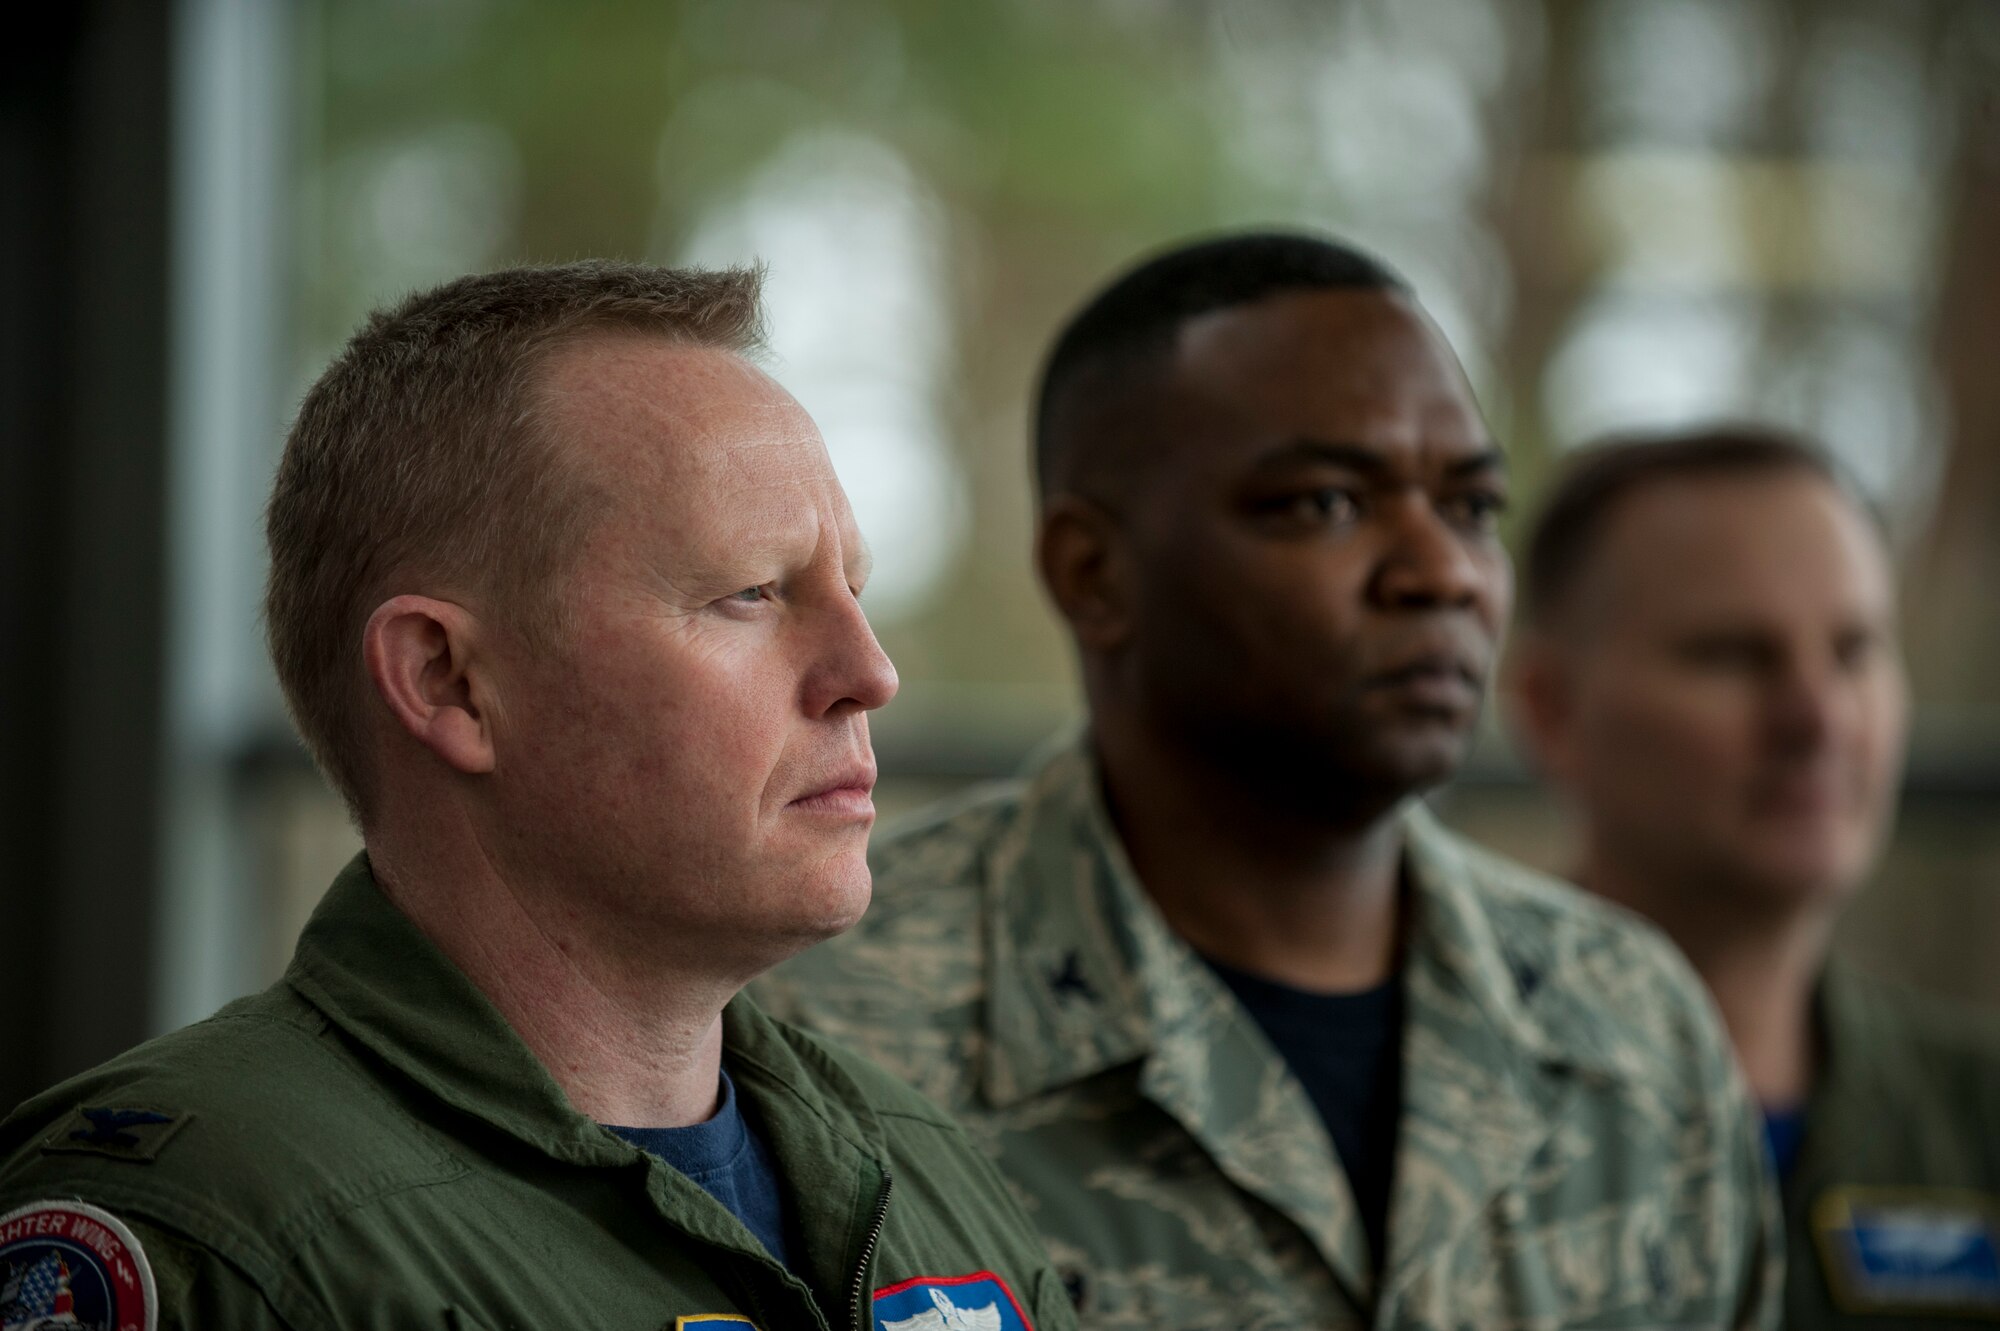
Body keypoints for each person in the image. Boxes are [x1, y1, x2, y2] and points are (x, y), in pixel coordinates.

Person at [0, 262, 1077, 1331]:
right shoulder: (210, 1233)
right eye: (748, 591)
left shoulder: (919, 1165)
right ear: (448, 681)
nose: (869, 672)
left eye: (854, 585)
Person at [755, 233, 1780, 1329]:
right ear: (1093, 572)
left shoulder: (1627, 1028)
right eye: (1324, 504)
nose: (1438, 572)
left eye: (1471, 508)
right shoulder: (820, 1028)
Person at [1507, 426, 2000, 1327]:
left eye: (1854, 650)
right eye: (1732, 653)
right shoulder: (1433, 1100)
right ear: (1551, 708)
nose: (1817, 715)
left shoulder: (1974, 1120)